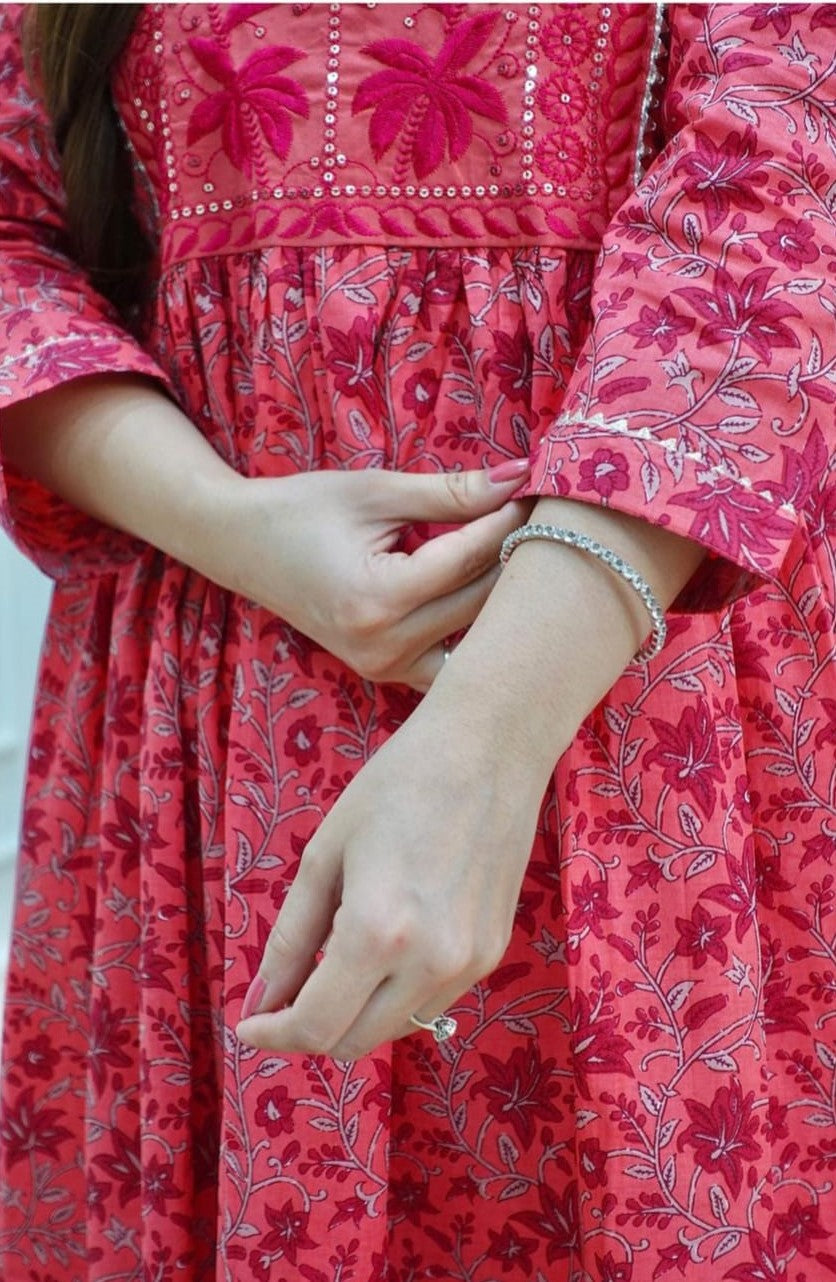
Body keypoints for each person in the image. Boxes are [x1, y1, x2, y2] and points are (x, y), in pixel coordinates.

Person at [0, 2, 833, 1279]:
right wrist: (228, 523)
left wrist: (482, 745)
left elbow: (776, 197)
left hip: (650, 710)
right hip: (210, 731)